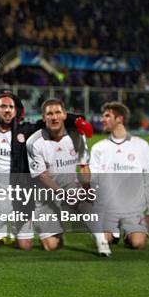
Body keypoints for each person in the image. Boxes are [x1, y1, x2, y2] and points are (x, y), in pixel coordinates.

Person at [0, 92, 92, 250]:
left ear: (16, 111)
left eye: (11, 107)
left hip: (21, 197)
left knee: (26, 245)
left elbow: (52, 120)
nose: (7, 110)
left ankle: (36, 231)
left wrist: (76, 120)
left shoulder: (26, 130)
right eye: (3, 106)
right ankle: (2, 234)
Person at [27, 99, 109, 255]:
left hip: (71, 186)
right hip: (47, 193)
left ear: (65, 115)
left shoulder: (77, 136)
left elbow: (84, 166)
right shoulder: (34, 142)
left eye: (58, 112)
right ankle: (58, 228)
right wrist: (62, 195)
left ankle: (101, 242)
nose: (54, 117)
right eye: (49, 114)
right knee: (51, 245)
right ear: (43, 118)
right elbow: (42, 176)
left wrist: (86, 188)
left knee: (87, 201)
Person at [89, 102, 149, 250]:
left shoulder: (141, 145)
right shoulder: (98, 148)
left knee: (138, 243)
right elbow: (94, 182)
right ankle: (112, 233)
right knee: (102, 240)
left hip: (133, 210)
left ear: (119, 119)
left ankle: (129, 232)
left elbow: (148, 179)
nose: (103, 120)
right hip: (107, 209)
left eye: (107, 116)